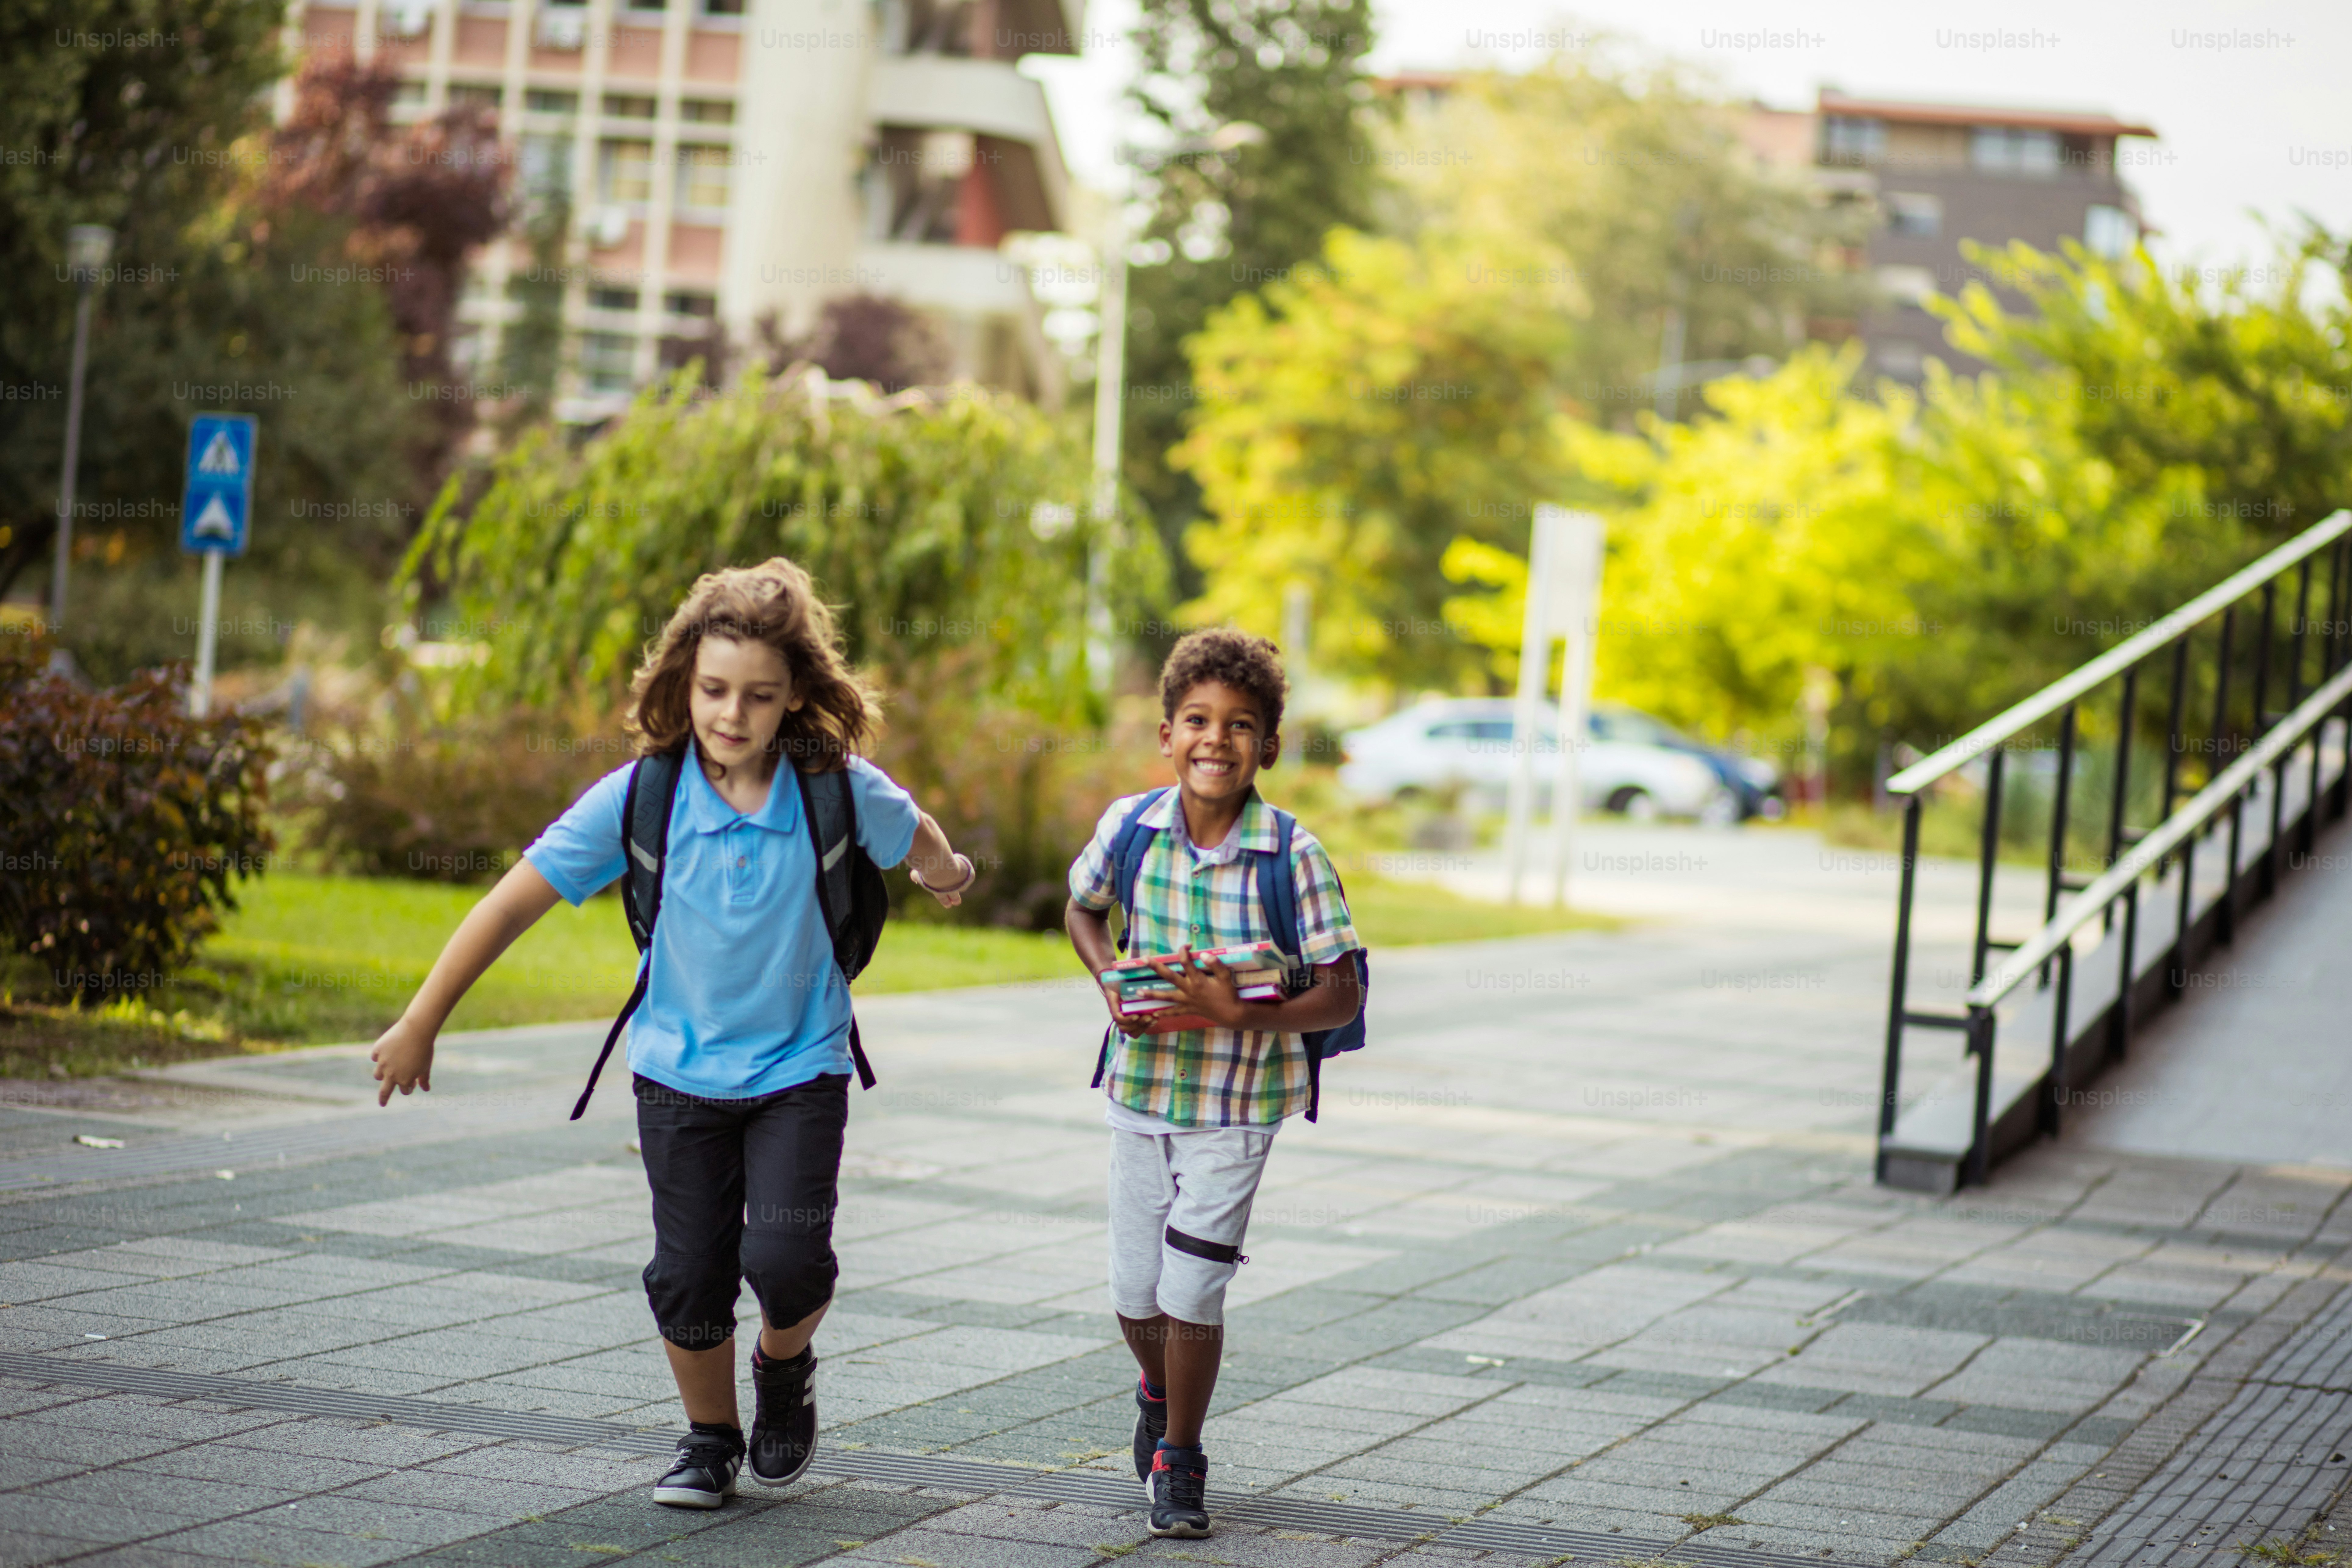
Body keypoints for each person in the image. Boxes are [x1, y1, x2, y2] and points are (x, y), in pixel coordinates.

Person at [367, 558, 976, 1510]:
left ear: (795, 699)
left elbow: (919, 834)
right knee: (688, 1276)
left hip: (798, 1066)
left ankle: (783, 1369)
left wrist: (949, 874)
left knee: (787, 1262)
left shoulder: (836, 789)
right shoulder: (641, 798)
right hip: (677, 1076)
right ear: (683, 681)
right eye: (715, 690)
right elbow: (510, 903)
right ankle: (709, 1438)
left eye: (760, 697)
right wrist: (421, 1020)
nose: (733, 715)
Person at [1064, 628, 1364, 1539]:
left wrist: (1247, 1019)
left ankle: (1180, 1460)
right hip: (1142, 1093)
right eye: (1197, 720)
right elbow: (1082, 909)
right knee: (1133, 1294)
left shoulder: (1292, 856)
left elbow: (1340, 989)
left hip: (1237, 1110)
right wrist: (1109, 979)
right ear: (1166, 734)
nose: (1216, 739)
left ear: (1267, 746)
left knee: (1192, 1293)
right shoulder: (1129, 829)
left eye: (1240, 725)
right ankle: (1157, 1392)